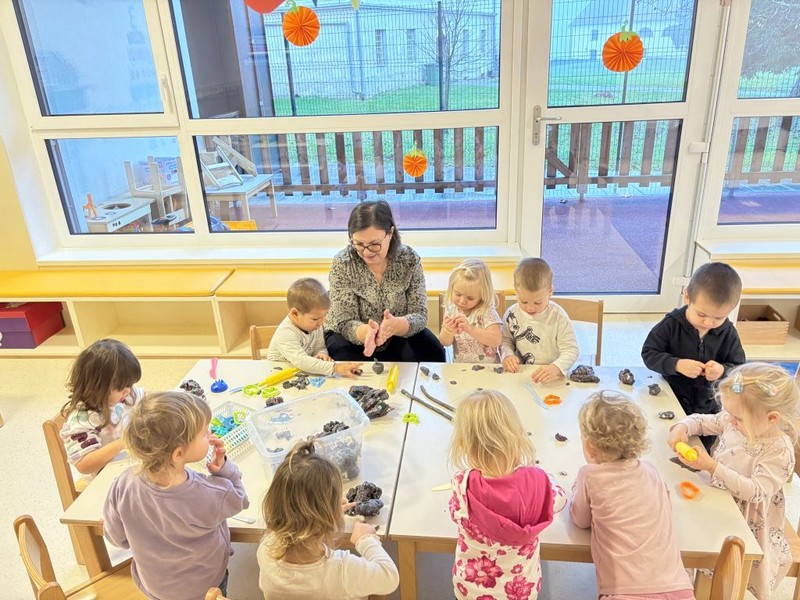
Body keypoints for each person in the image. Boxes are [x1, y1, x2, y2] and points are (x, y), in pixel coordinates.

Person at [668, 363, 799, 599]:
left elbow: (755, 491)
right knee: (681, 528)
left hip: (747, 519)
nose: (730, 420)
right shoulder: (735, 420)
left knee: (717, 561)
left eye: (737, 417)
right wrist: (683, 426)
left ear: (771, 418)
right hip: (720, 498)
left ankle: (708, 587)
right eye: (728, 413)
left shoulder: (779, 450)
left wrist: (711, 466)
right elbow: (704, 421)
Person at [103, 391, 249, 599]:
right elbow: (240, 499)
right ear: (178, 453)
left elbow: (117, 538)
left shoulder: (124, 482)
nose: (210, 435)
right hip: (205, 587)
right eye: (204, 433)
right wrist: (225, 469)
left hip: (155, 587)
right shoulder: (207, 493)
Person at [570, 391, 694, 599]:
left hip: (625, 592)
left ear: (589, 445)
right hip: (678, 588)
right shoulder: (651, 471)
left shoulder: (590, 475)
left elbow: (580, 519)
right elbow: (665, 510)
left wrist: (576, 489)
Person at [448, 390, 565, 600]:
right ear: (517, 435)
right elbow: (559, 499)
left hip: (471, 591)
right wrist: (548, 478)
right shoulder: (538, 481)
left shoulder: (461, 484)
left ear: (464, 444)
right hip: (521, 592)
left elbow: (453, 513)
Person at [257, 440, 399, 599]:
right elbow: (389, 577)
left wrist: (328, 513)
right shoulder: (342, 570)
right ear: (328, 515)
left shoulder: (265, 549)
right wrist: (366, 540)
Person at [324, 200, 445, 362]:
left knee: (433, 351)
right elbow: (344, 322)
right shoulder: (343, 263)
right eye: (358, 244)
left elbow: (419, 314)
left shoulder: (408, 259)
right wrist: (367, 333)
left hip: (397, 333)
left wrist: (397, 325)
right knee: (346, 362)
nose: (366, 252)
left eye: (374, 244)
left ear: (391, 233)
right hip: (352, 336)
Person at [642, 262, 745, 449]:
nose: (708, 322)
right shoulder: (671, 325)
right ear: (687, 297)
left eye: (718, 318)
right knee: (666, 446)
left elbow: (740, 370)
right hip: (671, 399)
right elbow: (649, 353)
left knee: (700, 449)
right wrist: (676, 364)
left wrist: (722, 371)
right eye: (701, 314)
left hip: (708, 408)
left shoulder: (728, 333)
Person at [59, 338, 143, 487]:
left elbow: (147, 400)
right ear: (95, 388)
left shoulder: (123, 396)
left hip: (131, 467)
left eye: (130, 384)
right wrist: (124, 442)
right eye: (120, 388)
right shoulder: (82, 420)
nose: (128, 391)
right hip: (105, 482)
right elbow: (84, 465)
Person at [500, 257, 579, 383]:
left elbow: (571, 350)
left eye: (538, 302)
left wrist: (556, 367)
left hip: (551, 376)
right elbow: (505, 340)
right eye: (523, 301)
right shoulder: (511, 314)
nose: (530, 308)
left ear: (550, 292)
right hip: (520, 373)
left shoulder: (558, 316)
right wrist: (507, 355)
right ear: (516, 292)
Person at [267, 277, 362, 377]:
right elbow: (302, 361)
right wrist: (335, 368)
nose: (321, 322)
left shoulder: (315, 325)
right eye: (315, 319)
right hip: (278, 375)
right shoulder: (286, 333)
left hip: (300, 372)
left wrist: (322, 353)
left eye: (324, 316)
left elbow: (319, 347)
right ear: (295, 314)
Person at [438, 258, 503, 363]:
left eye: (470, 298)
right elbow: (444, 342)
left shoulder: (486, 311)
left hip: (488, 369)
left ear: (482, 296)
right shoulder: (451, 309)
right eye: (458, 294)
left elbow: (496, 340)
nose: (462, 301)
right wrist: (448, 331)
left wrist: (470, 329)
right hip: (461, 368)